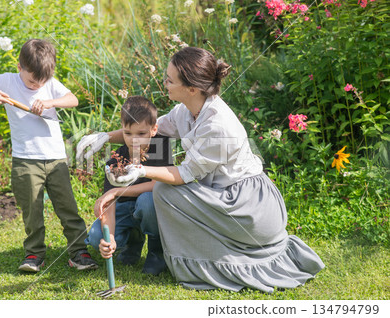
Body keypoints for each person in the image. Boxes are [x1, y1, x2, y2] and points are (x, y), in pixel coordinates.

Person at [78, 47, 325, 293]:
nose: (165, 83)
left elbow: (183, 175)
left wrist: (140, 170)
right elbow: (148, 129)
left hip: (245, 204)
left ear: (192, 88)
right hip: (220, 193)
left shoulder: (217, 125)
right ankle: (165, 252)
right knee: (161, 191)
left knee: (164, 191)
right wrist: (103, 136)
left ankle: (166, 254)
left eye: (169, 79)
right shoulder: (187, 110)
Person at [0, 39, 98, 273]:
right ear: (20, 67)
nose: (37, 85)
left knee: (68, 208)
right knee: (32, 210)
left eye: (42, 80)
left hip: (56, 159)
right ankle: (34, 254)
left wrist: (49, 102)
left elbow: (73, 100)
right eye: (31, 80)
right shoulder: (7, 80)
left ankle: (79, 252)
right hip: (25, 160)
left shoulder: (49, 85)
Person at [82, 96, 173, 275]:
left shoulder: (160, 147)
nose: (134, 140)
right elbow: (110, 202)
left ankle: (156, 251)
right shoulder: (116, 159)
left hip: (150, 208)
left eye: (141, 134)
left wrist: (118, 191)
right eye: (128, 133)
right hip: (125, 208)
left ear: (153, 130)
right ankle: (133, 242)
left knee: (147, 201)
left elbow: (156, 185)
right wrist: (112, 237)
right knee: (96, 236)